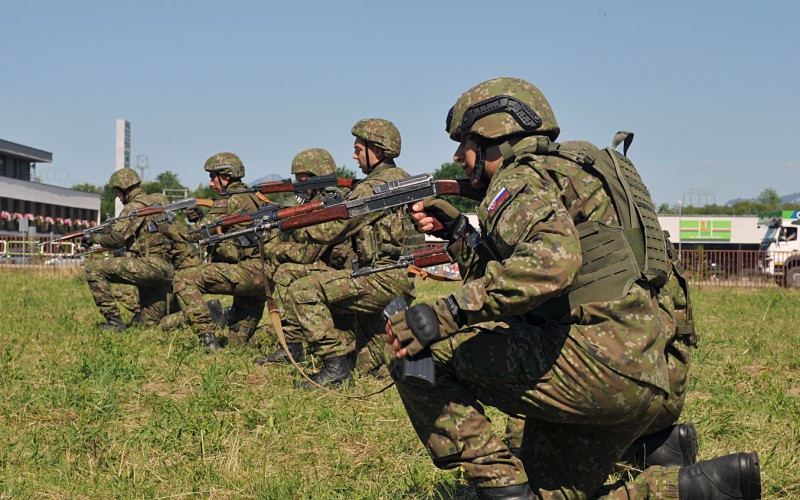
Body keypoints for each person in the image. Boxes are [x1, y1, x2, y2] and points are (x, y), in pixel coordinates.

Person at [385, 78, 760, 499]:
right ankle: (702, 485)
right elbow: (535, 287)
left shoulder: (519, 180)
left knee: (418, 354)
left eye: (464, 143)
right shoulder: (583, 170)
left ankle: (502, 490)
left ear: (495, 135)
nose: (457, 156)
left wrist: (443, 315)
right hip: (657, 373)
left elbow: (550, 266)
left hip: (602, 373)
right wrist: (458, 233)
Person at [279, 119, 419, 388]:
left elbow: (332, 230)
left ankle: (334, 367)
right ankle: (371, 358)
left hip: (380, 279)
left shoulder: (371, 188)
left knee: (303, 290)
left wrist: (289, 224)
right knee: (366, 365)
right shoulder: (406, 180)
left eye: (358, 149)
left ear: (376, 149)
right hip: (398, 281)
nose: (354, 156)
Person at [253, 148, 358, 366]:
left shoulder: (331, 204)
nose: (298, 186)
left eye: (301, 181)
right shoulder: (315, 203)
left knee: (284, 272)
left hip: (345, 274)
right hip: (331, 272)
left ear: (316, 178)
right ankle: (292, 343)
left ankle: (293, 347)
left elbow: (308, 254)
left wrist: (275, 249)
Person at [172, 152, 272, 350]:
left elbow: (194, 234)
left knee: (183, 279)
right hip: (264, 277)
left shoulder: (228, 199)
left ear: (225, 177)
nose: (211, 183)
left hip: (248, 274)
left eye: (212, 177)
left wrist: (169, 226)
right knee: (238, 344)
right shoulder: (254, 197)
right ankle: (287, 334)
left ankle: (207, 340)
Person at [84, 168, 174, 331]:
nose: (116, 196)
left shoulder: (133, 208)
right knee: (150, 326)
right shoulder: (158, 202)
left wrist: (93, 238)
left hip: (150, 266)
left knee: (93, 269)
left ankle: (114, 322)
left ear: (124, 188)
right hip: (166, 268)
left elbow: (116, 240)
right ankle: (208, 311)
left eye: (117, 192)